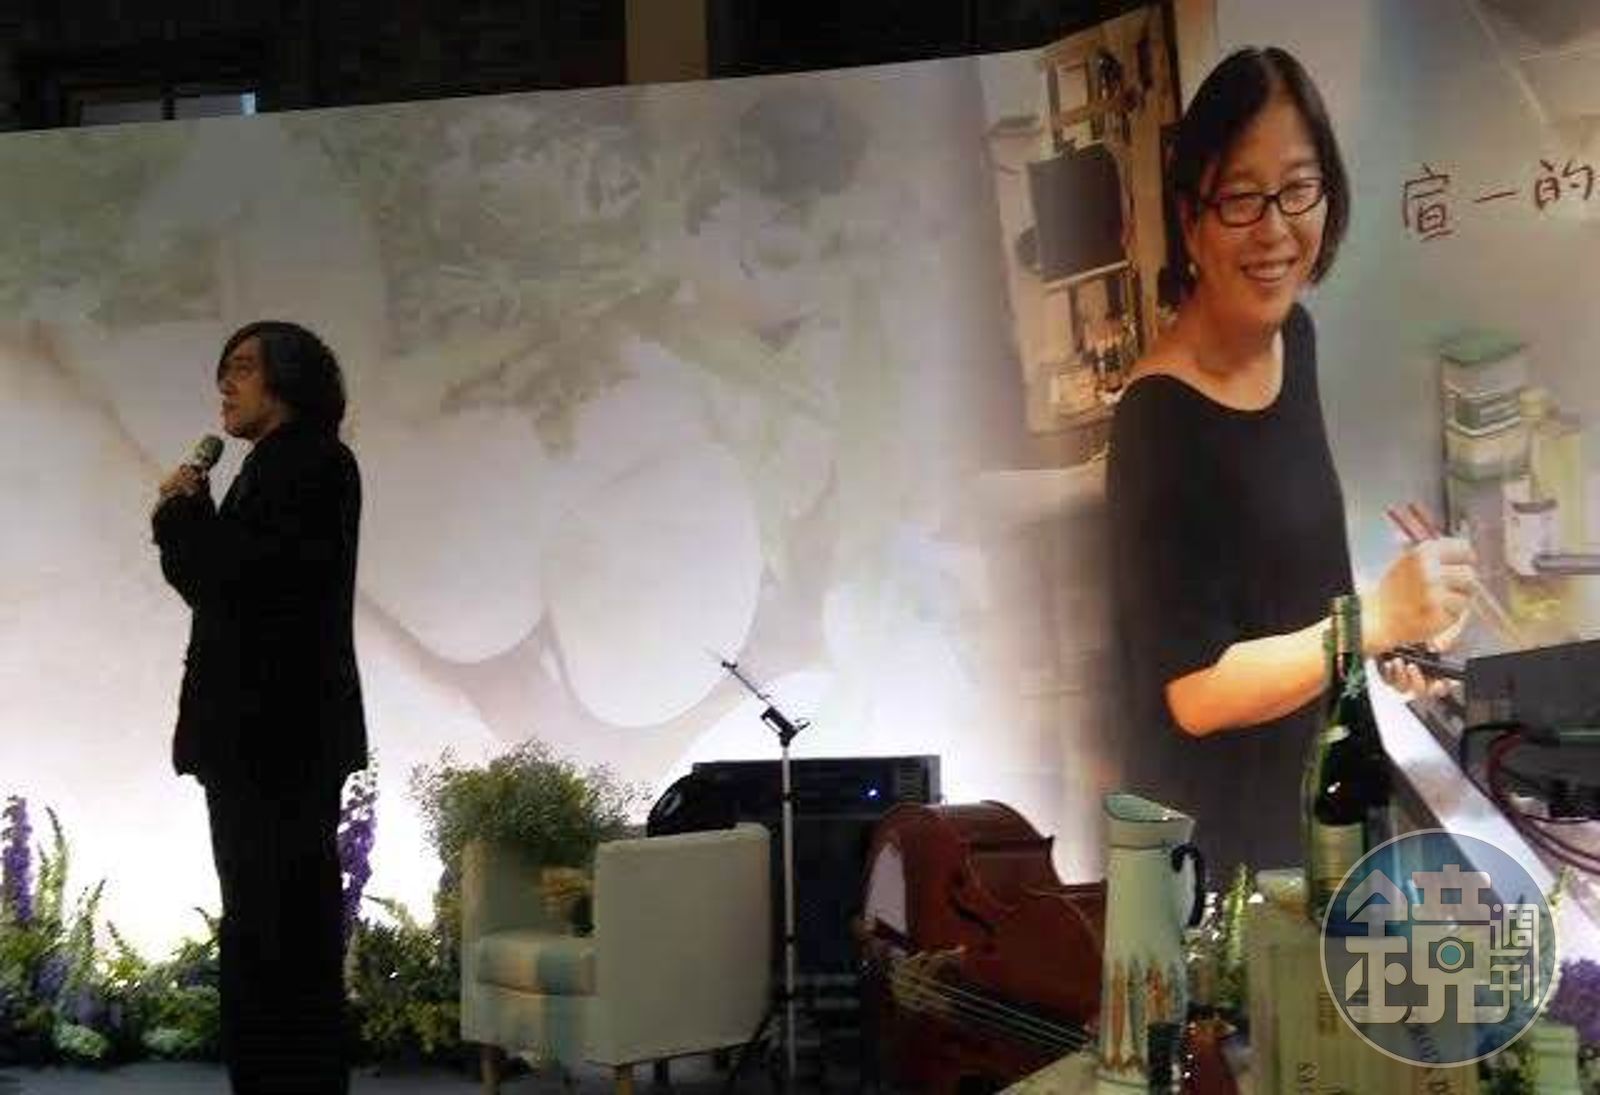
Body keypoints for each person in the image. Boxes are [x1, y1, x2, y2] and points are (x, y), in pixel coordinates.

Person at [1107, 47, 1475, 875]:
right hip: (1230, 858)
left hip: (1325, 802)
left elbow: (1286, 592)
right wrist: (1370, 620)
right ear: (1191, 218)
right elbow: (1196, 691)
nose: (1275, 229)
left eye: (1299, 188)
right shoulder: (1158, 420)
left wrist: (1397, 635)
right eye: (1241, 197)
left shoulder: (1290, 340)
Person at [152, 321, 366, 1094]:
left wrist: (181, 515)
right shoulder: (272, 466)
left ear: (290, 380)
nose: (226, 384)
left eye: (243, 367)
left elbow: (236, 584)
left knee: (278, 936)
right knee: (265, 931)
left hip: (277, 740)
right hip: (265, 741)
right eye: (225, 369)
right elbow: (225, 586)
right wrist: (188, 520)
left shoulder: (309, 463)